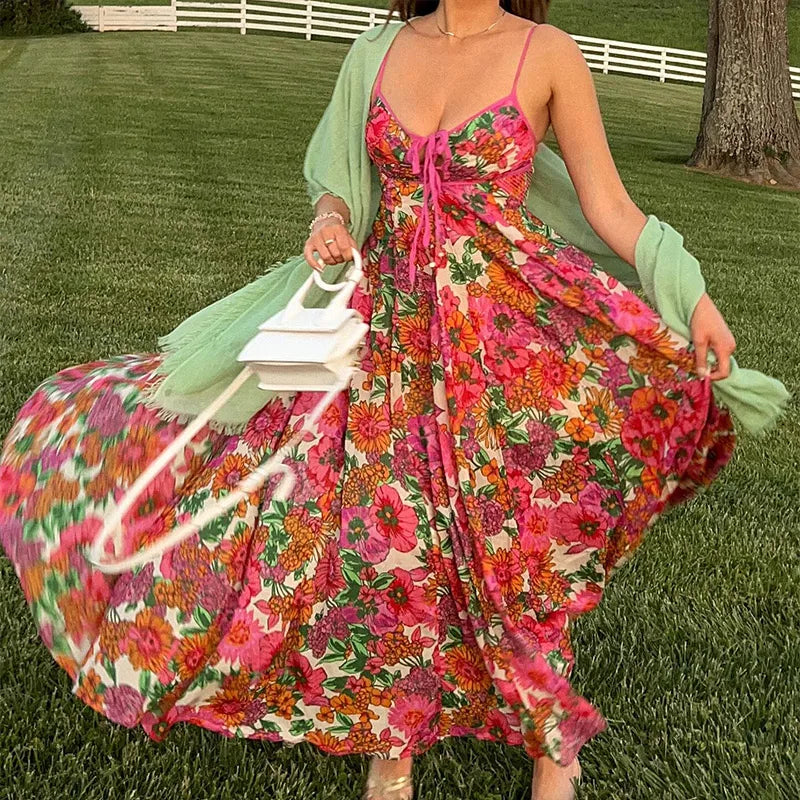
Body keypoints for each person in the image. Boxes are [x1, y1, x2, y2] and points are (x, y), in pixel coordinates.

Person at [0, 2, 741, 800]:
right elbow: (338, 185)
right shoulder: (378, 50)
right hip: (380, 324)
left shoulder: (547, 53)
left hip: (500, 333)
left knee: (509, 535)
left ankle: (550, 741)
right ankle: (395, 729)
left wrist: (689, 294)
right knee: (376, 525)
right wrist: (329, 221)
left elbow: (609, 205)